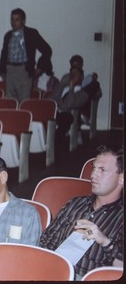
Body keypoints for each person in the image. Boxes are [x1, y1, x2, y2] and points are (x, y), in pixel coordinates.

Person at [39, 145, 123, 279]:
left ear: (122, 178)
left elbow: (120, 270)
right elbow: (45, 243)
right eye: (94, 168)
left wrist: (105, 242)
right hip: (54, 272)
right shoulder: (75, 204)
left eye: (102, 170)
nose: (93, 175)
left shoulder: (120, 218)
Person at [0, 8, 52, 103]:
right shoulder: (8, 35)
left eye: (17, 19)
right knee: (10, 102)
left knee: (23, 102)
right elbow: (3, 54)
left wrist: (40, 68)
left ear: (23, 21)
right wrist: (2, 71)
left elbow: (47, 50)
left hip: (24, 71)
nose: (14, 22)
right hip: (10, 71)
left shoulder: (31, 33)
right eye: (12, 19)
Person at [60, 54, 102, 125]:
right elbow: (62, 90)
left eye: (77, 65)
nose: (75, 68)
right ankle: (80, 118)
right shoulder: (66, 77)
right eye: (73, 66)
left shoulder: (86, 79)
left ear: (81, 65)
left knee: (95, 84)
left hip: (80, 97)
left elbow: (98, 93)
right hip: (69, 97)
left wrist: (91, 79)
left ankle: (82, 116)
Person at [52, 66, 89, 140]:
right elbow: (53, 99)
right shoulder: (64, 87)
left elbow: (69, 104)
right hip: (55, 111)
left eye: (76, 74)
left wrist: (71, 88)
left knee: (66, 118)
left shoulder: (83, 94)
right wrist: (61, 85)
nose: (73, 76)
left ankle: (54, 140)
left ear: (81, 77)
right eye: (71, 74)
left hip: (68, 114)